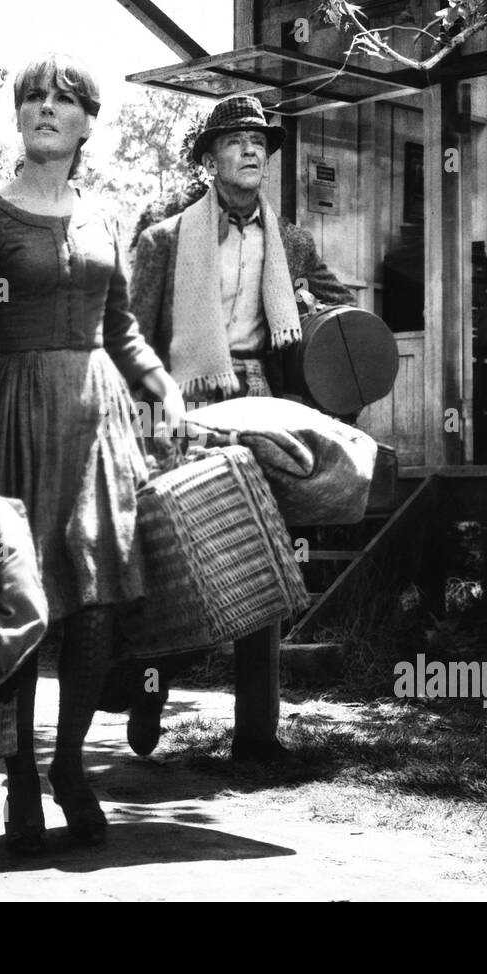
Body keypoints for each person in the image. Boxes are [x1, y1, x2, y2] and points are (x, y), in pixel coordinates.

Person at [0, 53, 185, 854]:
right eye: (31, 97)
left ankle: (70, 766)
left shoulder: (105, 216)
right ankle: (20, 776)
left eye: (61, 101)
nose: (43, 108)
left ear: (84, 124)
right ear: (18, 117)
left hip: (99, 418)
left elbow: (121, 327)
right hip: (17, 416)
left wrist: (161, 387)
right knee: (19, 596)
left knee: (96, 591)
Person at [125, 93, 355, 763]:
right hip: (186, 407)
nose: (253, 150)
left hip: (262, 402)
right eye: (236, 142)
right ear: (210, 160)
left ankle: (257, 734)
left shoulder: (292, 241)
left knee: (263, 561)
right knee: (183, 560)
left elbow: (340, 315)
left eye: (259, 141)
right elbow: (133, 339)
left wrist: (309, 305)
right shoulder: (164, 239)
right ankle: (152, 684)